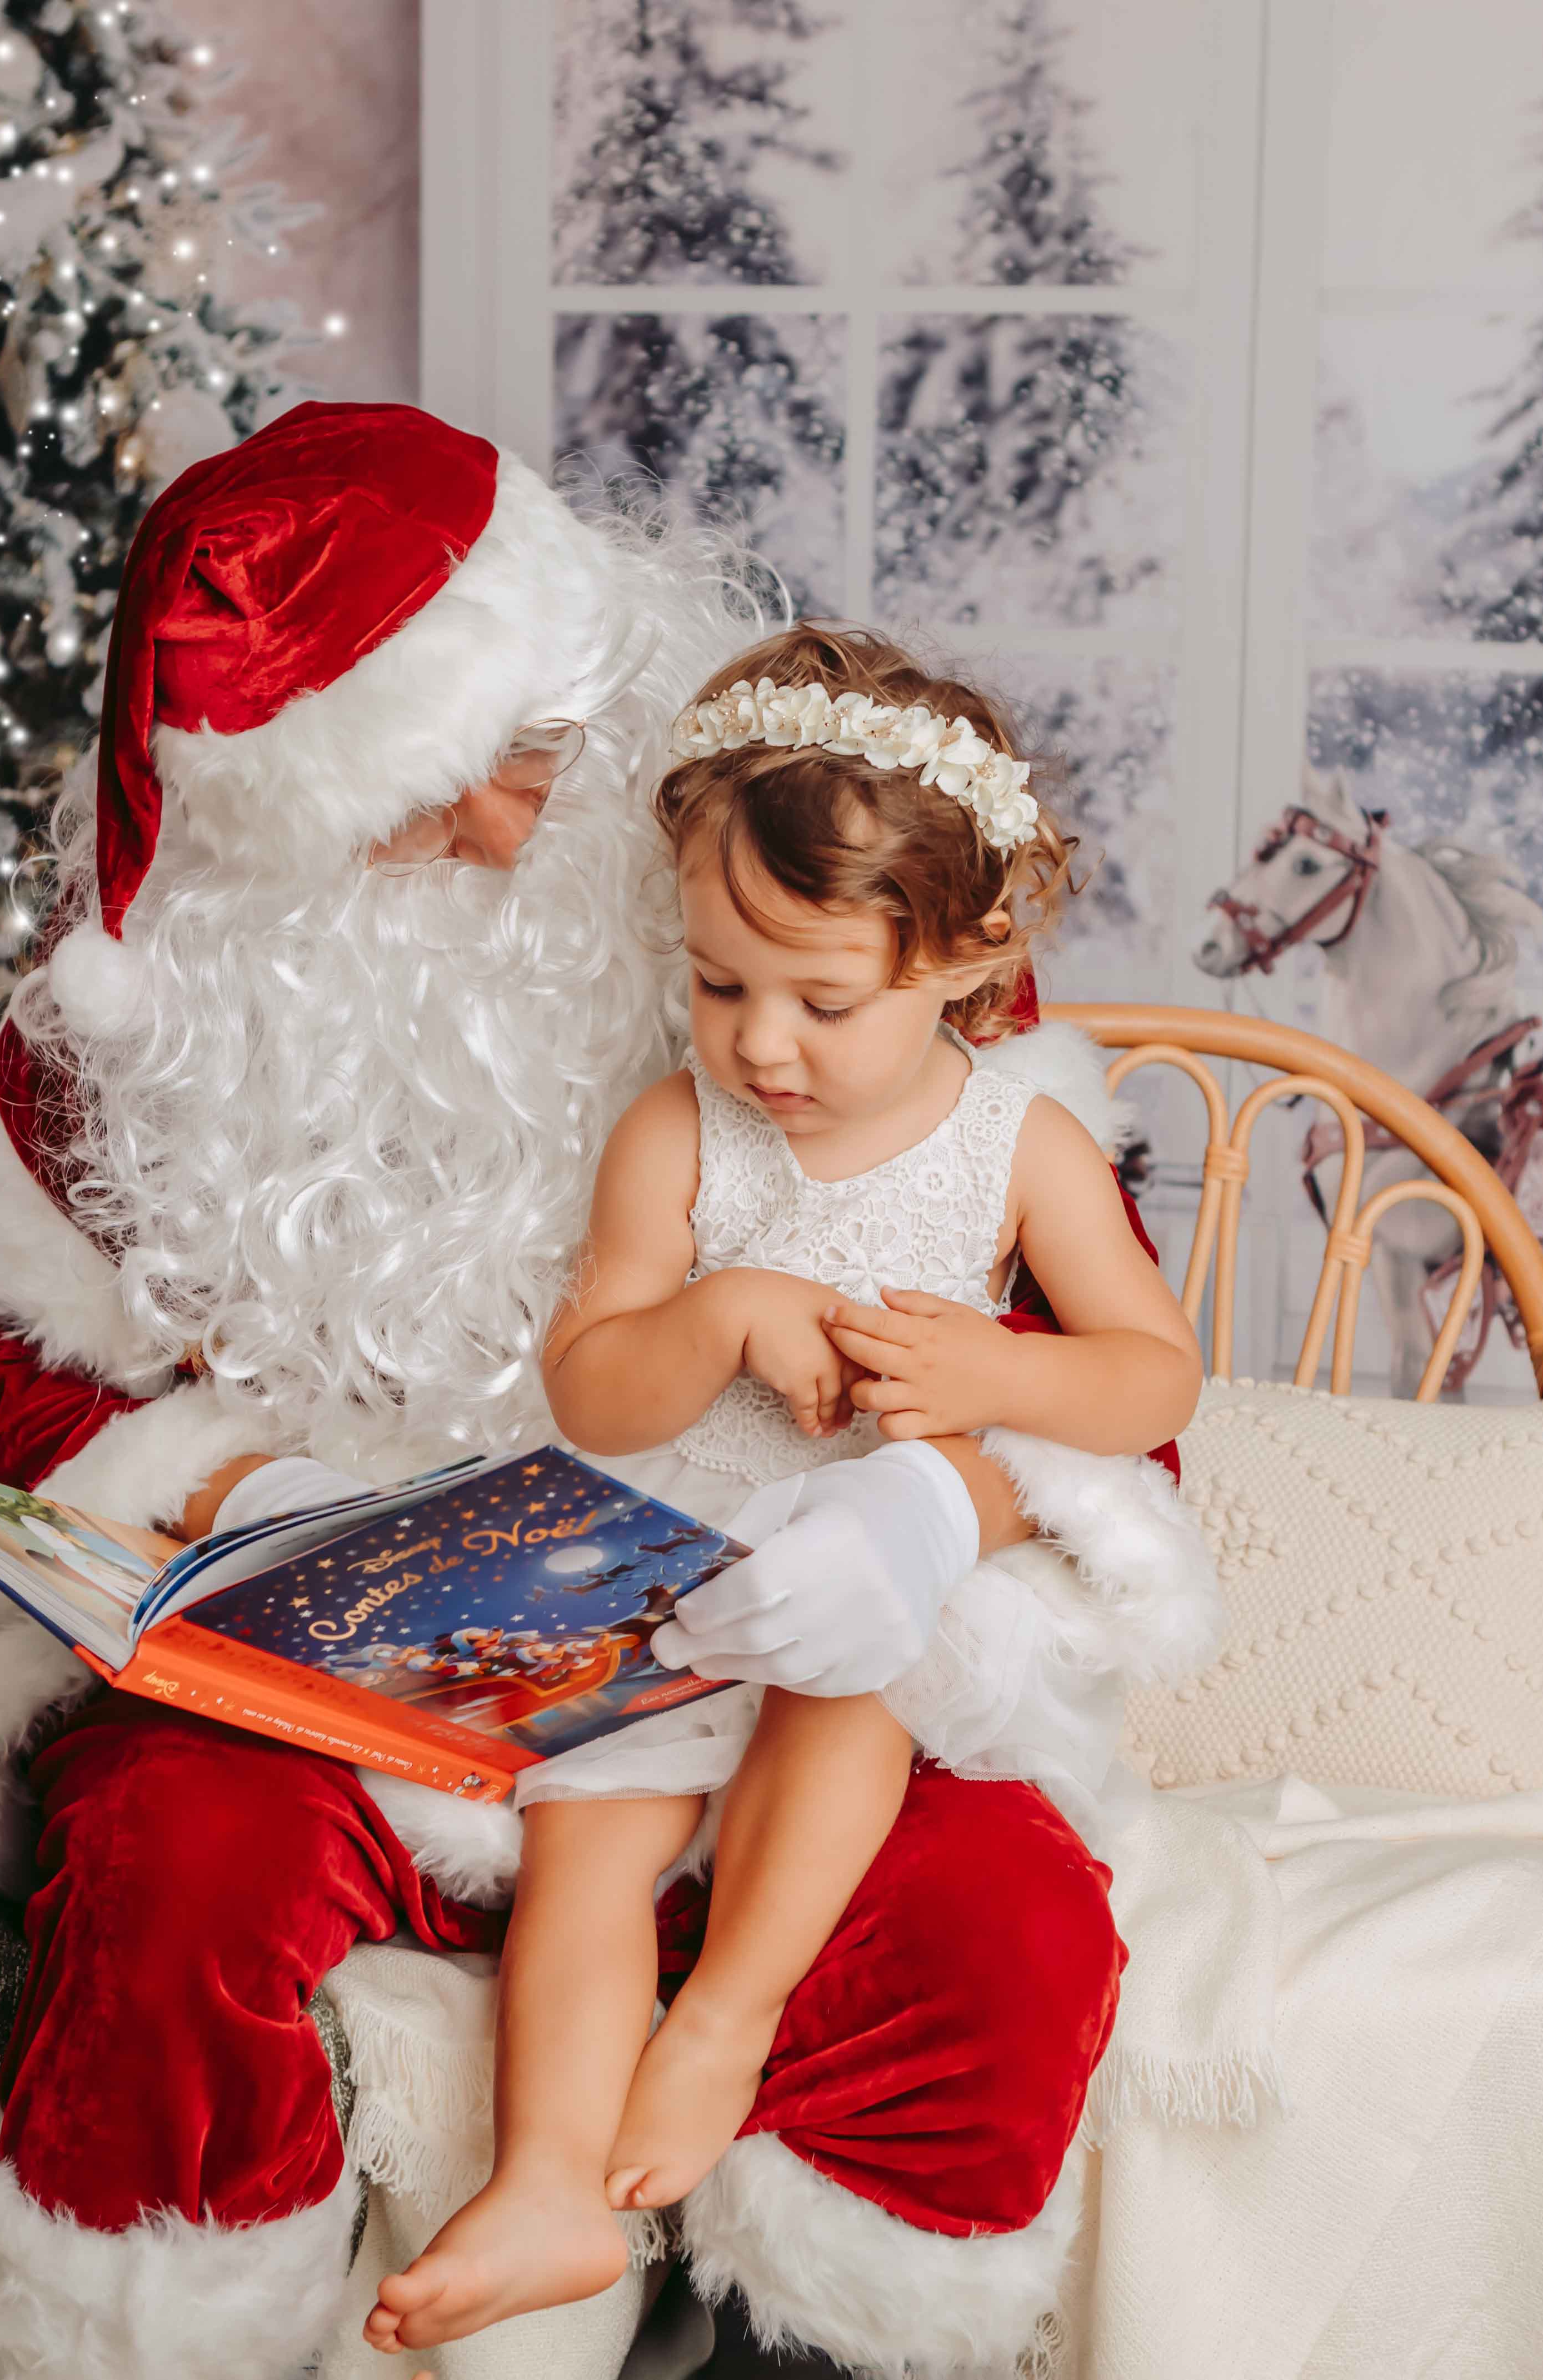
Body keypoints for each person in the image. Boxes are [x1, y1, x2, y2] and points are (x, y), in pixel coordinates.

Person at [0, 402, 1217, 2380]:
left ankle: (819, 2337)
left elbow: (1124, 1389)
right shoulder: (104, 1059)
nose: (512, 832)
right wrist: (259, 1515)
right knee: (174, 1867)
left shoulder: (817, 900)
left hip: (780, 1648)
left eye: (532, 755)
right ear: (259, 840)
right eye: (419, 809)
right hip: (335, 1691)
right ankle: (156, 2340)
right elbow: (12, 1412)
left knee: (999, 1924)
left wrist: (942, 1508)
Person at [363, 628, 1211, 2353]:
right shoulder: (677, 1137)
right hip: (678, 1561)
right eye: (718, 981)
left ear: (970, 957)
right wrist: (724, 1314)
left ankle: (723, 2021)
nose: (764, 1043)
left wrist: (995, 1376)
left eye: (824, 1000)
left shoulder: (1017, 1145)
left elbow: (1154, 1375)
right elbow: (592, 1387)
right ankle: (545, 2186)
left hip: (878, 1581)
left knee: (864, 1683)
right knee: (584, 1834)